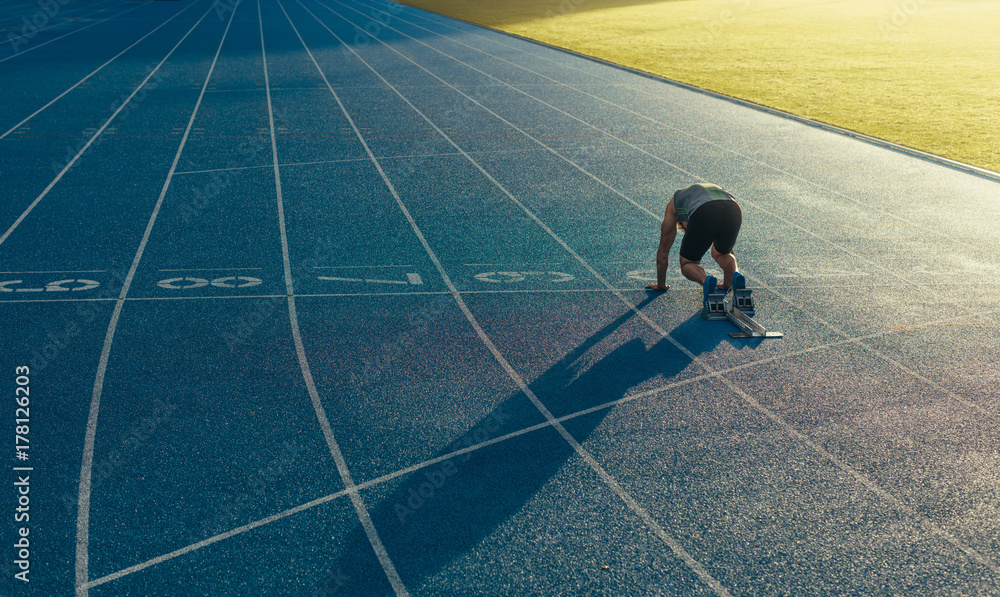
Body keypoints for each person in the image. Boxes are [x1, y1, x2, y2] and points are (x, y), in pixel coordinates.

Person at [645, 183, 746, 308]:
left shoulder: (673, 206)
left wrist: (661, 285)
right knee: (722, 253)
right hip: (733, 207)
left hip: (705, 210)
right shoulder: (694, 195)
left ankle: (705, 281)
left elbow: (663, 251)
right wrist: (727, 283)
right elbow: (728, 250)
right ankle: (737, 275)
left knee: (688, 263)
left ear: (683, 221)